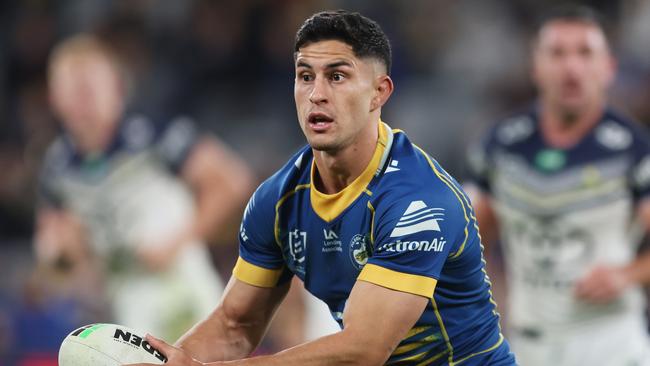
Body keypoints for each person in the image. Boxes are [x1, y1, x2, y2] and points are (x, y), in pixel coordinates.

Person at [130, 10, 516, 366]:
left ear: (379, 93)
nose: (316, 94)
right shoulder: (277, 201)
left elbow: (364, 349)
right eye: (304, 76)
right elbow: (236, 324)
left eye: (337, 76)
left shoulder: (418, 201)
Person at [35, 33, 255, 341]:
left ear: (116, 87)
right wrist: (62, 253)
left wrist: (179, 239)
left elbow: (232, 180)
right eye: (71, 90)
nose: (82, 102)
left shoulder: (153, 134)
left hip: (181, 286)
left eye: (89, 88)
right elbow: (55, 247)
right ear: (54, 97)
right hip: (122, 302)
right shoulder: (57, 165)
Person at [466, 5, 650, 366]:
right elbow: (470, 239)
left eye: (585, 53)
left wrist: (627, 274)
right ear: (536, 67)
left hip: (611, 342)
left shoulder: (632, 150)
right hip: (529, 344)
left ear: (608, 67)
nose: (571, 67)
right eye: (557, 53)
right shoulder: (501, 146)